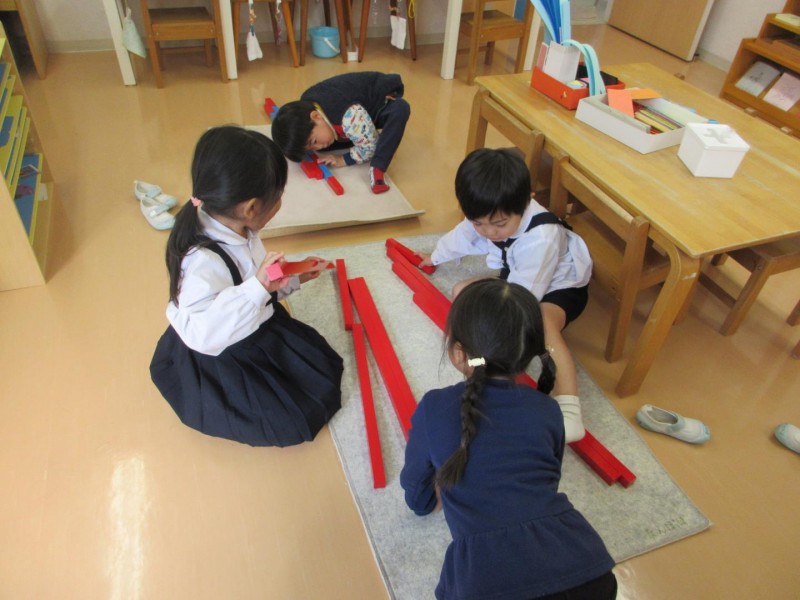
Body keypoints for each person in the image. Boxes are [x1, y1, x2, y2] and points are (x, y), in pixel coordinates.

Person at [400, 279, 616, 600]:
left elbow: (418, 495)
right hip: (588, 569)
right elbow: (547, 477)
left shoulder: (434, 406)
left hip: (487, 583)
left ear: (458, 353)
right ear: (527, 354)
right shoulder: (547, 409)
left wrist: (428, 500)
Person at [150, 126, 343, 447]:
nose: (280, 204)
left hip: (253, 319)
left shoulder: (237, 225)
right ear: (251, 208)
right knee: (293, 415)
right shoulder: (201, 263)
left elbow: (254, 277)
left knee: (319, 371)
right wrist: (258, 287)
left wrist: (293, 277)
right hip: (226, 348)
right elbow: (205, 334)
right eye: (278, 198)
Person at [416, 148, 592, 442]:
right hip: (517, 274)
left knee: (542, 324)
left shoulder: (543, 238)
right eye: (478, 223)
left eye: (499, 225)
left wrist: (489, 349)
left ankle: (570, 409)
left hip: (559, 287)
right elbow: (461, 237)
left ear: (526, 201)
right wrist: (434, 256)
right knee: (461, 291)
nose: (488, 232)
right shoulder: (488, 215)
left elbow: (523, 301)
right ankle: (486, 358)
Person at [270, 71, 410, 195]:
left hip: (380, 97)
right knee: (327, 143)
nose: (317, 147)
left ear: (316, 116)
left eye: (314, 142)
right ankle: (362, 134)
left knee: (400, 109)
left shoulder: (348, 118)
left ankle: (378, 167)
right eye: (311, 147)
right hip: (353, 109)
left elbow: (370, 147)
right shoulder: (306, 108)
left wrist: (343, 159)